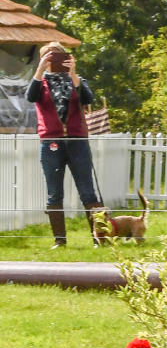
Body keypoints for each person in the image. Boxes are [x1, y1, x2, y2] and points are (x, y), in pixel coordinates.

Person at [25, 42, 103, 247]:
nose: (57, 62)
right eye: (51, 58)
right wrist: (40, 70)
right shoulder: (40, 84)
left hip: (77, 141)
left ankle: (98, 238)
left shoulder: (77, 80)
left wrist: (74, 74)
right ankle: (60, 241)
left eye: (60, 57)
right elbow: (30, 97)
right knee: (54, 192)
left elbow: (87, 98)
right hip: (51, 142)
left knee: (87, 190)